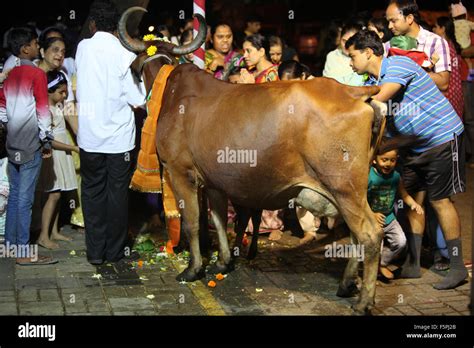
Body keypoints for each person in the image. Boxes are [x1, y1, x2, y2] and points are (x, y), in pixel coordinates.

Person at [346, 29, 468, 289]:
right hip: (414, 145)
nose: (350, 62)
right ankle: (413, 264)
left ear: (368, 53)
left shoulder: (398, 65)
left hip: (442, 138)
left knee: (440, 200)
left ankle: (457, 268)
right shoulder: (373, 78)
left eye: (353, 55)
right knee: (413, 200)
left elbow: (378, 100)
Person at [76, 1, 145, 265]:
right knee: (117, 194)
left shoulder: (83, 48)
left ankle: (95, 252)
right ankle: (114, 251)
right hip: (118, 140)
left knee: (92, 193)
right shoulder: (122, 52)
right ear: (117, 28)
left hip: (90, 137)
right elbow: (136, 98)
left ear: (92, 24)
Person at [0, 27, 56, 265]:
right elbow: (43, 111)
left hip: (12, 142)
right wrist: (47, 139)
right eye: (35, 44)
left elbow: (2, 110)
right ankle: (23, 252)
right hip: (31, 142)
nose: (38, 47)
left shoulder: (10, 74)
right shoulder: (37, 75)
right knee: (24, 199)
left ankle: (12, 247)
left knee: (15, 197)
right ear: (26, 49)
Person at [368, 138, 424, 280]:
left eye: (392, 160)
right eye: (385, 160)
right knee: (375, 247)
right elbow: (360, 198)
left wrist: (414, 204)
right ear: (374, 159)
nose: (388, 164)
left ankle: (382, 263)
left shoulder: (395, 177)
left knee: (400, 242)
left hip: (389, 218)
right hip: (371, 219)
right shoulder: (369, 176)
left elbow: (404, 194)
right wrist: (371, 214)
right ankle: (371, 271)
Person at [37, 71, 79, 249]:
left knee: (59, 193)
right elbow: (49, 141)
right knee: (53, 194)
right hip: (53, 156)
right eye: (61, 92)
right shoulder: (45, 110)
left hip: (63, 155)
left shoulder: (57, 107)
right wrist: (72, 148)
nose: (64, 96)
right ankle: (43, 235)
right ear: (49, 90)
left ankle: (54, 231)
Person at [385, 0, 451, 92]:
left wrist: (411, 69)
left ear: (409, 18)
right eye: (388, 21)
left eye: (393, 21)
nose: (389, 26)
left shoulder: (435, 42)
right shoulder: (389, 46)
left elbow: (443, 83)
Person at [323, 22, 365, 86]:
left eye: (351, 42)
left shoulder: (364, 57)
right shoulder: (332, 56)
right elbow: (326, 82)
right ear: (340, 39)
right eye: (344, 41)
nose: (346, 45)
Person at [451, 2, 474, 67]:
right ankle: (471, 71)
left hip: (456, 46)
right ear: (465, 15)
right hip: (465, 45)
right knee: (468, 60)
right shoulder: (468, 23)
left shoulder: (452, 24)